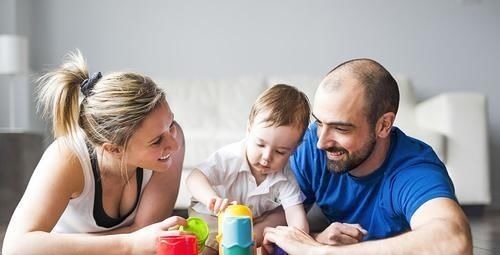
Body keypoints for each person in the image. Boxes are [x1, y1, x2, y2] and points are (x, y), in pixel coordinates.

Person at [262, 59, 472, 255]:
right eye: (319, 123)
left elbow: (455, 241)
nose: (321, 142)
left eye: (341, 128)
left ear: (383, 125)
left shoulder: (413, 168)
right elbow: (275, 218)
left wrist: (320, 252)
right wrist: (318, 240)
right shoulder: (312, 145)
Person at [2, 50, 189, 255]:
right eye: (156, 141)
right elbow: (16, 247)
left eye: (170, 124)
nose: (174, 144)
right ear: (113, 149)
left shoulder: (171, 144)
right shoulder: (68, 157)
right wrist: (129, 244)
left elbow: (145, 234)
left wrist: (57, 244)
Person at [186, 84, 311, 255]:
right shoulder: (230, 158)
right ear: (249, 129)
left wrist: (300, 241)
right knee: (211, 246)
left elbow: (296, 214)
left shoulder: (285, 177)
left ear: (294, 149)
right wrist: (212, 199)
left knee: (280, 216)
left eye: (280, 152)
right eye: (260, 144)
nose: (267, 157)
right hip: (213, 215)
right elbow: (194, 177)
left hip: (250, 219)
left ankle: (249, 240)